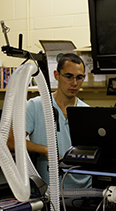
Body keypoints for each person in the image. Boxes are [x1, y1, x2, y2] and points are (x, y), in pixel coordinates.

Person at [8, 53, 91, 189]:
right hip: (51, 190)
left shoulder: (87, 111)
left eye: (79, 77)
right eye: (69, 76)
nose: (74, 83)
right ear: (56, 75)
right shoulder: (36, 105)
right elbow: (11, 141)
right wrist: (46, 150)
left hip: (85, 187)